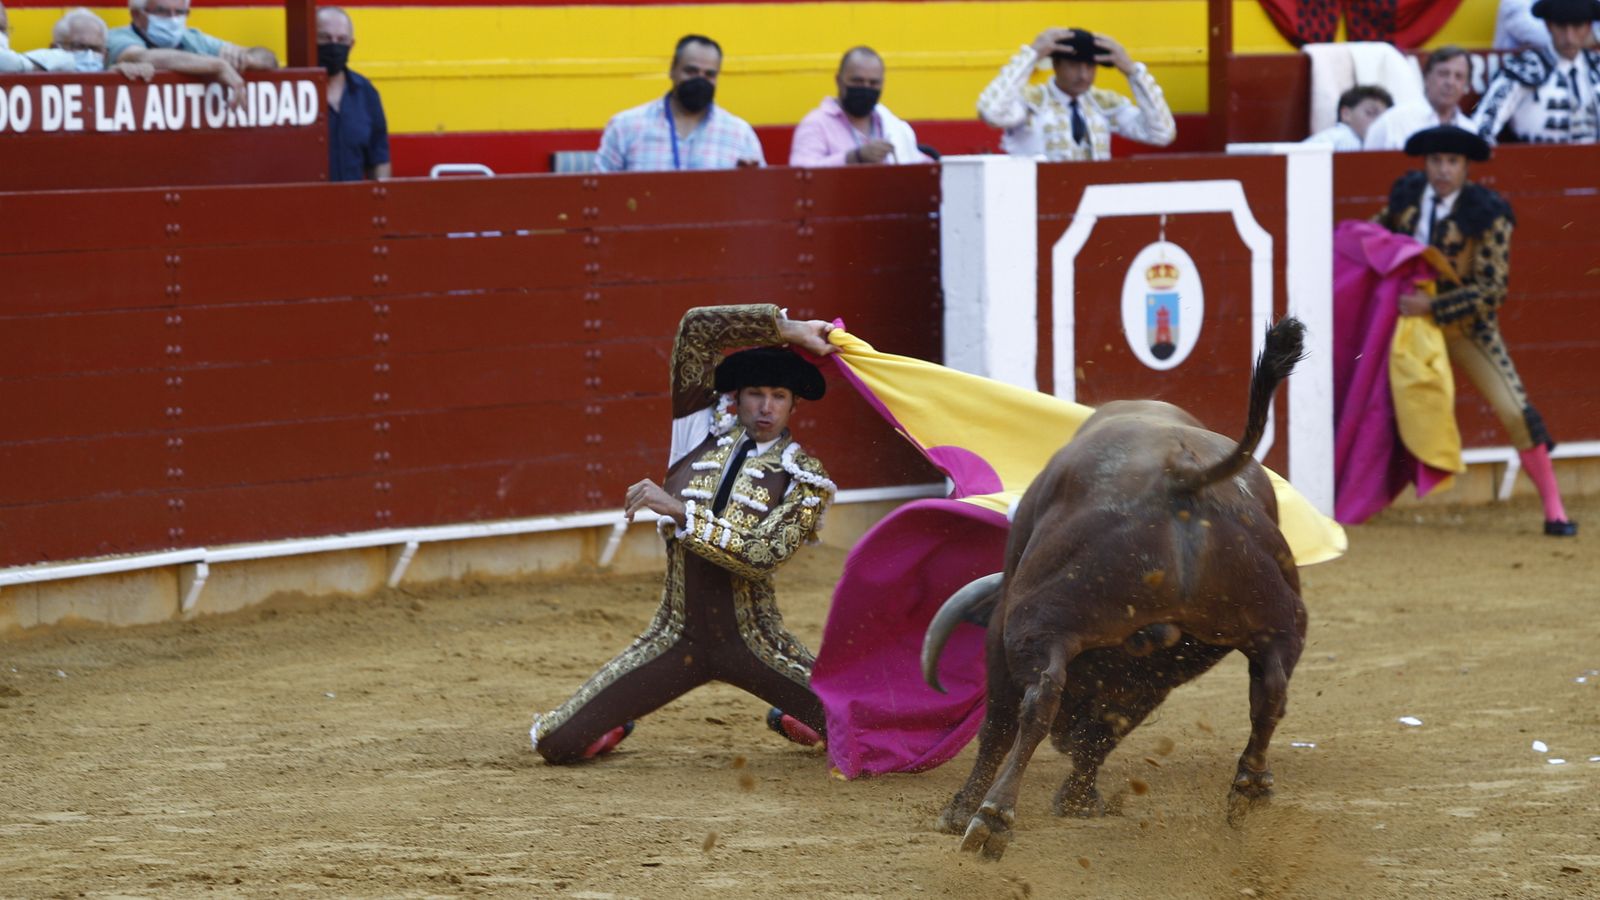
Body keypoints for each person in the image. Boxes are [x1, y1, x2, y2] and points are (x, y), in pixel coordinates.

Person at [531, 304, 839, 763]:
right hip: (675, 637)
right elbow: (697, 330)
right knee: (557, 743)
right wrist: (791, 330)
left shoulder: (805, 477)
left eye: (779, 396)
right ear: (736, 398)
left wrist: (679, 511)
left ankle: (795, 714)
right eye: (755, 393)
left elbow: (762, 554)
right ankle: (618, 715)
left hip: (757, 645)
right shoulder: (696, 431)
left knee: (866, 735)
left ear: (795, 404)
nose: (766, 407)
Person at [1373, 126, 1576, 536]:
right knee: (1370, 403)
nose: (1442, 170)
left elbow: (1492, 291)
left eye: (1451, 162)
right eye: (1436, 161)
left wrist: (1434, 305)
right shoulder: (1407, 196)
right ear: (1425, 163)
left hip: (1466, 328)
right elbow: (1375, 240)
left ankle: (1554, 507)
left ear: (1466, 167)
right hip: (1407, 325)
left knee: (1514, 409)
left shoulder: (1488, 211)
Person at [977, 27, 1175, 162]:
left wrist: (1133, 72)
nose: (1083, 75)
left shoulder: (1103, 105)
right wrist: (1032, 54)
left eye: (1090, 66)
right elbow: (990, 111)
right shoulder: (1031, 103)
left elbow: (1162, 134)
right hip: (1031, 203)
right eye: (1073, 65)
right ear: (1055, 65)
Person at [596, 34, 765, 172]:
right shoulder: (625, 127)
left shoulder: (740, 134)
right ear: (672, 70)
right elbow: (599, 193)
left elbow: (760, 199)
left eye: (709, 74)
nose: (700, 80)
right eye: (691, 71)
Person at [1476, 0, 1600, 145]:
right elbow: (1482, 127)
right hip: (1529, 164)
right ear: (1548, 26)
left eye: (1577, 26)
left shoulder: (1596, 67)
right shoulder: (1523, 69)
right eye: (1561, 26)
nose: (1569, 38)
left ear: (1589, 27)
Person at [789, 46, 931, 167]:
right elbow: (801, 174)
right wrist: (853, 158)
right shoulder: (816, 124)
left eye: (873, 83)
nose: (865, 88)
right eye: (858, 81)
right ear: (839, 80)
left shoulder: (890, 123)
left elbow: (916, 162)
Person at [318, 7, 390, 181]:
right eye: (325, 38)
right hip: (304, 204)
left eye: (341, 40)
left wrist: (380, 203)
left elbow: (379, 159)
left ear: (351, 45)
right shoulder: (290, 90)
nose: (334, 45)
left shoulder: (366, 93)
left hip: (355, 204)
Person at [1363, 46, 1477, 151]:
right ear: (1426, 77)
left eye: (1459, 77)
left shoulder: (1470, 130)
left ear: (1466, 85)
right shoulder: (1393, 121)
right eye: (1443, 74)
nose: (1450, 82)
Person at [107, 0, 248, 71]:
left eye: (180, 12)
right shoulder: (117, 37)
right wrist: (216, 66)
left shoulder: (192, 39)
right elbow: (141, 57)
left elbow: (265, 57)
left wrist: (242, 57)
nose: (173, 19)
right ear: (136, 15)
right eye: (162, 11)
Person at [1304, 85, 1395, 149]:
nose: (1379, 122)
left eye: (1383, 118)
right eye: (1370, 113)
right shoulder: (1345, 138)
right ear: (1346, 114)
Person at [1494, 0, 1600, 49]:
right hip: (1521, 81)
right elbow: (1558, 40)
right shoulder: (1514, 2)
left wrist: (1594, 36)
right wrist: (1593, 37)